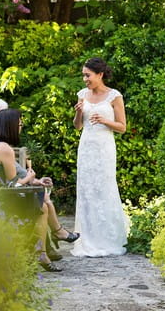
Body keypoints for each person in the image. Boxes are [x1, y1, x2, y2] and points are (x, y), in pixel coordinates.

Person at [0, 98, 79, 261]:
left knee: (41, 198)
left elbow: (9, 166)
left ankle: (48, 245)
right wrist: (30, 179)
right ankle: (48, 243)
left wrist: (32, 180)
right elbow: (8, 170)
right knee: (40, 202)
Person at [71, 57, 128, 257]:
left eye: (88, 75)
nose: (85, 79)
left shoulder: (114, 96)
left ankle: (107, 237)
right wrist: (78, 113)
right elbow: (78, 126)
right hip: (86, 146)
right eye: (83, 75)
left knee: (104, 187)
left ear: (100, 75)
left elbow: (122, 127)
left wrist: (105, 120)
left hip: (104, 148)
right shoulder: (82, 95)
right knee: (87, 189)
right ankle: (86, 238)